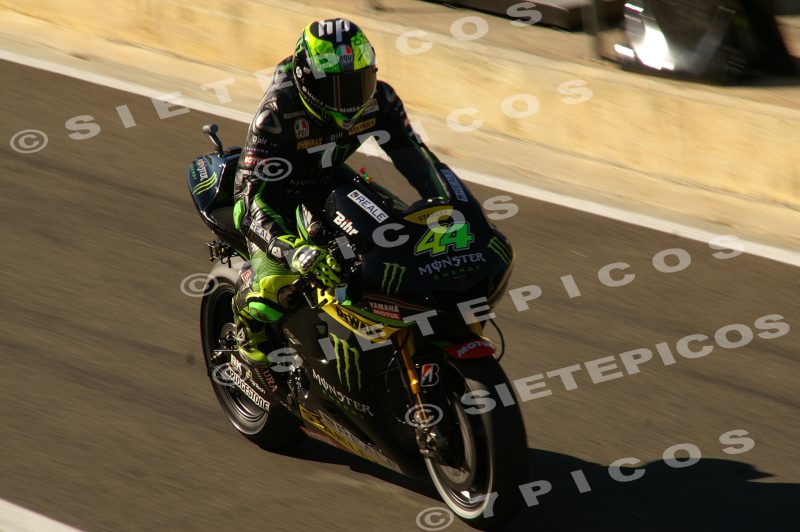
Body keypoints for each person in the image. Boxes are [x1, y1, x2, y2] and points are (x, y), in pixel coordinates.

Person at [232, 18, 447, 364]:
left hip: (329, 181)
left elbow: (417, 161)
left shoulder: (382, 100)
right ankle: (246, 323)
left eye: (357, 84)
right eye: (335, 89)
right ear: (305, 81)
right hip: (274, 198)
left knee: (399, 235)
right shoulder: (277, 114)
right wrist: (293, 251)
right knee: (279, 288)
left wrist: (444, 203)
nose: (348, 100)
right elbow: (252, 198)